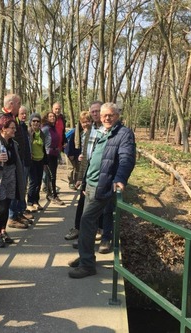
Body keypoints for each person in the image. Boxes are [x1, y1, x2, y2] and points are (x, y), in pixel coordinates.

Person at [68, 102, 136, 279]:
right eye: (104, 115)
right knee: (87, 226)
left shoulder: (124, 134)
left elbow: (126, 158)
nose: (107, 118)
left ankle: (87, 265)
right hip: (90, 184)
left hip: (103, 186)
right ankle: (86, 257)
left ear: (117, 116)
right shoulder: (100, 131)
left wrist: (120, 178)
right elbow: (91, 158)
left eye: (110, 115)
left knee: (86, 222)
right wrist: (82, 182)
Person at [0, 94, 33, 225]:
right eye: (18, 104)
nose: (20, 106)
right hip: (4, 167)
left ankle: (17, 214)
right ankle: (11, 218)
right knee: (6, 198)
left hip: (17, 160)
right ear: (11, 104)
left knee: (18, 188)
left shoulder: (13, 117)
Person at [0, 115, 26, 247]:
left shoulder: (13, 143)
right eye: (12, 128)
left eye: (15, 128)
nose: (15, 130)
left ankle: (3, 231)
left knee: (8, 204)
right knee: (2, 207)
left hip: (11, 177)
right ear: (3, 128)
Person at [64, 111, 92, 241]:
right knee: (82, 202)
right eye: (83, 122)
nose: (85, 124)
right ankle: (78, 228)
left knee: (87, 204)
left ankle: (85, 232)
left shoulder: (94, 134)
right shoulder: (82, 134)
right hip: (85, 172)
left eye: (88, 121)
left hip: (91, 173)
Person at [41, 111, 65, 205]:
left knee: (53, 175)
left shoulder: (53, 128)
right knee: (51, 176)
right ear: (47, 118)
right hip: (48, 154)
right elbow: (41, 140)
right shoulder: (45, 129)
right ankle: (53, 195)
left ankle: (51, 193)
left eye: (53, 116)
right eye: (50, 116)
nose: (52, 118)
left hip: (55, 154)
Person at [26, 112, 48, 212]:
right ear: (30, 122)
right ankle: (29, 202)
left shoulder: (42, 134)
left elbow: (44, 147)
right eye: (34, 121)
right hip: (32, 161)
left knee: (38, 182)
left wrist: (45, 162)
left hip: (40, 160)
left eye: (38, 121)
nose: (36, 123)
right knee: (33, 182)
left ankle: (36, 201)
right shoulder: (28, 133)